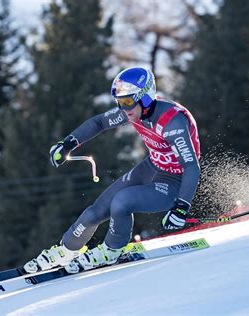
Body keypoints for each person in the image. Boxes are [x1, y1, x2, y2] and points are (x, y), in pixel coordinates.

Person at [24, 66, 201, 273]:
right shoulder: (133, 111)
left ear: (145, 98)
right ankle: (67, 250)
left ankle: (112, 250)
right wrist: (68, 144)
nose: (123, 108)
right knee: (95, 211)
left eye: (127, 101)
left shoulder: (172, 121)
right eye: (119, 102)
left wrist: (181, 207)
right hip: (152, 165)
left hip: (176, 181)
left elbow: (190, 166)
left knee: (122, 201)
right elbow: (100, 122)